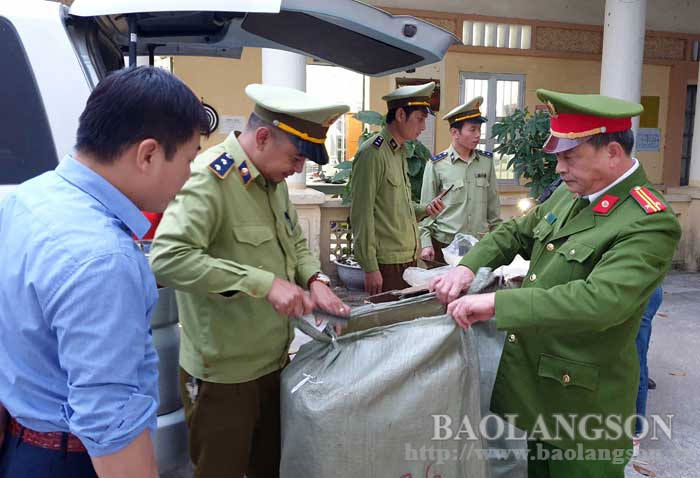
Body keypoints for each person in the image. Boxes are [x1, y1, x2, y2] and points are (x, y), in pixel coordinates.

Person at [430, 89, 681, 476]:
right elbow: (516, 231)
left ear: (612, 152)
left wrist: (498, 305)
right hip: (543, 390)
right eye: (558, 157)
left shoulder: (648, 220)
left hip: (587, 407)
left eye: (569, 156)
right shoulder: (571, 193)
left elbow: (601, 302)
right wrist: (467, 267)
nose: (559, 169)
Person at [0, 66, 208, 478]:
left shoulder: (26, 199)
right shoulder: (103, 259)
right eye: (188, 159)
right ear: (148, 154)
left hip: (24, 443)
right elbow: (110, 424)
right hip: (74, 461)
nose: (188, 178)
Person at [148, 84, 351, 478]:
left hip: (273, 363)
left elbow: (293, 238)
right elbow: (168, 258)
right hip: (224, 377)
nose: (297, 169)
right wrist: (262, 283)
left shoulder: (270, 182)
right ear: (262, 137)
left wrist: (315, 279)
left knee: (269, 467)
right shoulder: (209, 179)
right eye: (295, 158)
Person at [351, 82, 445, 294]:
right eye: (420, 119)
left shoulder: (399, 151)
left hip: (408, 259)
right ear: (401, 115)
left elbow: (396, 205)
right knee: (388, 324)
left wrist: (425, 209)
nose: (423, 127)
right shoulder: (372, 153)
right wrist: (370, 266)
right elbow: (361, 213)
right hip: (387, 265)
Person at [419, 97, 501, 265]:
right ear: (455, 133)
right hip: (444, 245)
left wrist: (498, 241)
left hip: (478, 245)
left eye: (479, 129)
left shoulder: (486, 162)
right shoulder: (436, 165)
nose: (478, 135)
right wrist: (426, 244)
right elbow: (425, 210)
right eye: (472, 129)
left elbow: (493, 209)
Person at [633, 285, 663, 456]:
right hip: (643, 289)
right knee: (638, 355)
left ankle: (635, 432)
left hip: (640, 292)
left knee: (636, 365)